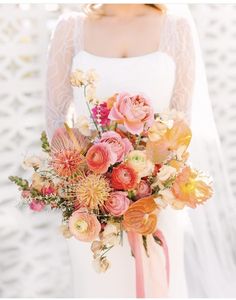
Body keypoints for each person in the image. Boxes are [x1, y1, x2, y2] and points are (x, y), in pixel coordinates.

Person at [45, 4, 236, 298]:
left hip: (155, 206)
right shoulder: (71, 28)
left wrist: (146, 184)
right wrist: (94, 183)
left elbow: (180, 125)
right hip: (89, 205)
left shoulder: (175, 28)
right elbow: (56, 120)